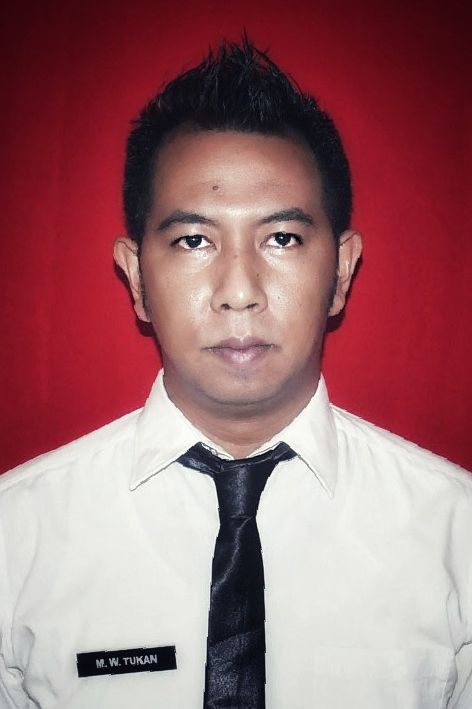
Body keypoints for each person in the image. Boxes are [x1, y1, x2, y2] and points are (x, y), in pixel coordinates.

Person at [0, 39, 470, 709]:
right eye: (194, 240)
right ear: (136, 277)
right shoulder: (17, 540)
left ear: (341, 270)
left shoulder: (456, 538)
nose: (240, 291)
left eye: (282, 238)